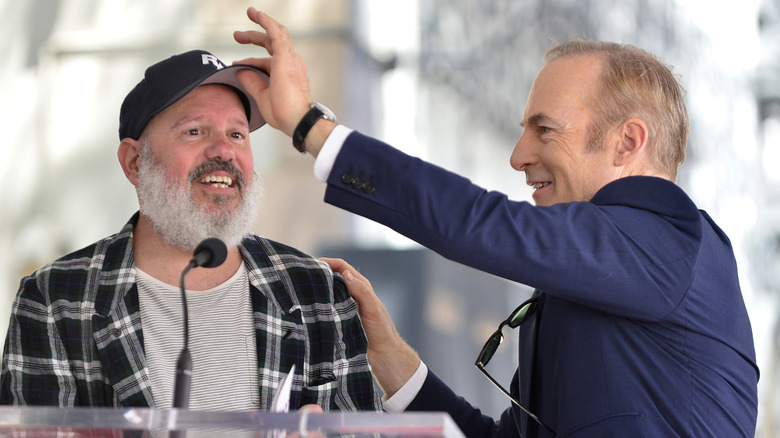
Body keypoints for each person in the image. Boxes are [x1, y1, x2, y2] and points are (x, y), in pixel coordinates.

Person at [229, 7, 760, 437]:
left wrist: (310, 127)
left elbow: (482, 223)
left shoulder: (670, 240)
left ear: (628, 142)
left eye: (544, 130)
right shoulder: (602, 281)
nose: (518, 155)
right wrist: (393, 361)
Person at [0, 49, 382, 413]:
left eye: (237, 134)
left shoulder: (317, 292)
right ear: (135, 163)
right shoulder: (54, 299)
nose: (224, 151)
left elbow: (368, 431)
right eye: (195, 131)